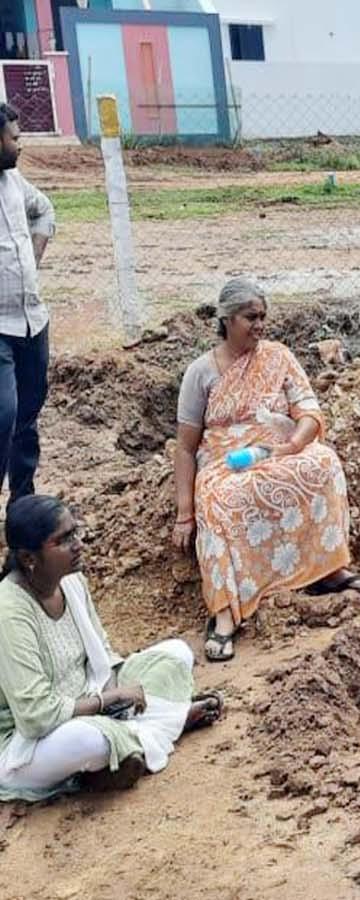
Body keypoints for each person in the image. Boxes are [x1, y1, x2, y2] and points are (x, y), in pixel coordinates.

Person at [174, 279, 360, 663]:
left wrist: (294, 445)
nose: (259, 325)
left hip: (278, 449)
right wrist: (185, 513)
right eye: (251, 317)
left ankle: (329, 570)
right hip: (226, 461)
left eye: (263, 317)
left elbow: (308, 411)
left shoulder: (278, 357)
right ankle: (225, 613)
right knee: (222, 498)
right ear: (227, 319)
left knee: (324, 463)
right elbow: (186, 448)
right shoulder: (200, 372)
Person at [0, 496, 223, 801]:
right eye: (64, 540)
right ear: (29, 559)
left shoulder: (71, 580)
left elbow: (101, 656)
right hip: (27, 740)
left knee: (177, 653)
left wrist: (115, 697)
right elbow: (36, 716)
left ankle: (130, 740)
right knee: (87, 740)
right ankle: (163, 725)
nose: (78, 544)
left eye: (75, 533)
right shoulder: (9, 612)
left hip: (87, 697)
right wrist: (109, 701)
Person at [0, 102, 54, 511]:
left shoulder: (15, 181)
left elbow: (44, 210)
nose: (20, 145)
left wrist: (33, 260)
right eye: (14, 138)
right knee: (5, 412)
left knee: (28, 414)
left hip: (32, 320)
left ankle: (22, 504)